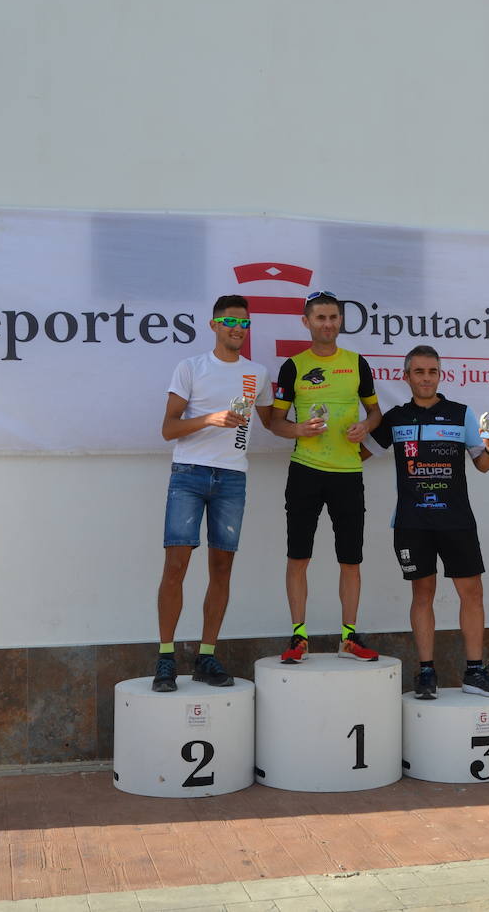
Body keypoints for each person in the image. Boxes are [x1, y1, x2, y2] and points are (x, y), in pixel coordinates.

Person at [370, 345, 489, 698]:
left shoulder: (461, 414)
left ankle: (475, 671)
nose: (426, 378)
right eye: (419, 372)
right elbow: (360, 452)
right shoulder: (395, 417)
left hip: (456, 520)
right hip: (412, 523)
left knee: (472, 593)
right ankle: (426, 672)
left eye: (432, 371)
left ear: (440, 375)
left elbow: (483, 464)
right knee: (422, 593)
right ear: (406, 376)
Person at [153, 296, 271, 692]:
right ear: (214, 325)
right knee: (176, 566)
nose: (238, 329)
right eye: (230, 321)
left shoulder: (257, 373)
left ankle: (207, 655)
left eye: (244, 323)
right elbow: (168, 429)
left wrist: (303, 429)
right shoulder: (191, 367)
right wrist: (210, 419)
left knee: (222, 569)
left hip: (232, 478)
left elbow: (273, 423)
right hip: (189, 474)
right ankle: (166, 659)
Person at [265, 290, 383, 663]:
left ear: (340, 321)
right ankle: (299, 637)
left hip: (348, 473)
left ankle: (348, 637)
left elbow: (376, 414)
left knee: (351, 560)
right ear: (307, 322)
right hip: (306, 472)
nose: (328, 324)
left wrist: (365, 426)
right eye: (320, 318)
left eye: (333, 317)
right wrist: (300, 431)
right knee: (298, 557)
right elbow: (274, 423)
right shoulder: (293, 366)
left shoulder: (356, 362)